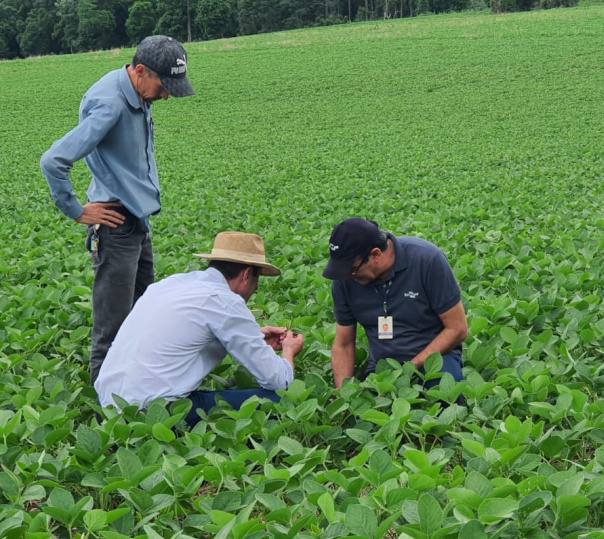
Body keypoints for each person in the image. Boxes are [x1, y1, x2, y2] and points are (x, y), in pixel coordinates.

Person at [40, 35, 195, 385]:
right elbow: (54, 161)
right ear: (141, 71)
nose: (167, 95)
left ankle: (140, 390)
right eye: (164, 85)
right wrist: (77, 211)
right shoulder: (110, 103)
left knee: (145, 315)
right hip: (115, 228)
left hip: (137, 222)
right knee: (112, 329)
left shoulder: (136, 90)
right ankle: (107, 415)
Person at [94, 232, 305, 425]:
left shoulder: (169, 284)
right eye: (257, 279)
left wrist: (255, 338)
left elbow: (182, 336)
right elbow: (279, 381)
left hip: (108, 407)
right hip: (151, 414)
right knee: (282, 400)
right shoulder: (225, 302)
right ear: (247, 274)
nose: (256, 288)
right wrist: (289, 351)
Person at [323, 218, 468, 389]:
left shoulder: (427, 259)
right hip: (384, 367)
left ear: (376, 254)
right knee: (368, 412)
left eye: (353, 270)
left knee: (445, 390)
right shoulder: (345, 278)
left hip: (437, 359)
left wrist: (409, 370)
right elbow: (344, 343)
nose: (348, 277)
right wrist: (344, 394)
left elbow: (457, 329)